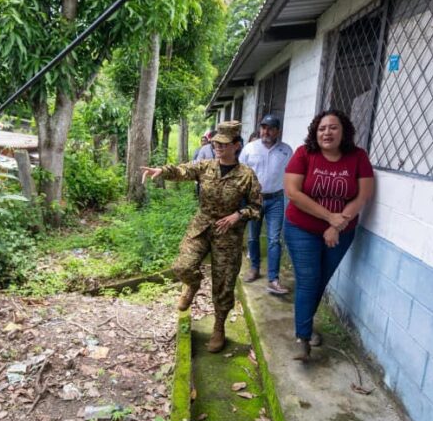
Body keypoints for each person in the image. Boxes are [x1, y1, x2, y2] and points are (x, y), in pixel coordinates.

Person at [141, 121, 261, 353]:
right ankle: (192, 285)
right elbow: (183, 170)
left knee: (224, 284)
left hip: (228, 234)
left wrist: (238, 215)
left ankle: (218, 328)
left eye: (224, 144)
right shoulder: (206, 166)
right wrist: (161, 171)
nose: (218, 146)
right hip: (202, 226)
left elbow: (257, 208)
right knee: (182, 266)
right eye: (216, 142)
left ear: (236, 146)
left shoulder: (247, 175)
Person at [283, 110, 374, 360]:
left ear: (343, 131)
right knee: (309, 280)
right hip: (301, 228)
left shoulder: (358, 157)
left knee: (320, 280)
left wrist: (336, 225)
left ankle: (306, 325)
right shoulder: (304, 154)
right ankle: (303, 337)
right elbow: (292, 192)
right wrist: (328, 217)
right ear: (315, 131)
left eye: (333, 128)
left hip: (340, 232)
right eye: (322, 128)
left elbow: (362, 195)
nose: (327, 132)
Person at [239, 114, 293, 295]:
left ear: (278, 131)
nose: (266, 131)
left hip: (276, 199)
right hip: (254, 199)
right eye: (263, 127)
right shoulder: (249, 148)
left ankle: (273, 279)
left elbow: (291, 174)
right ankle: (254, 268)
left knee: (274, 239)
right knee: (253, 237)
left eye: (270, 128)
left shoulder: (286, 151)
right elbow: (240, 174)